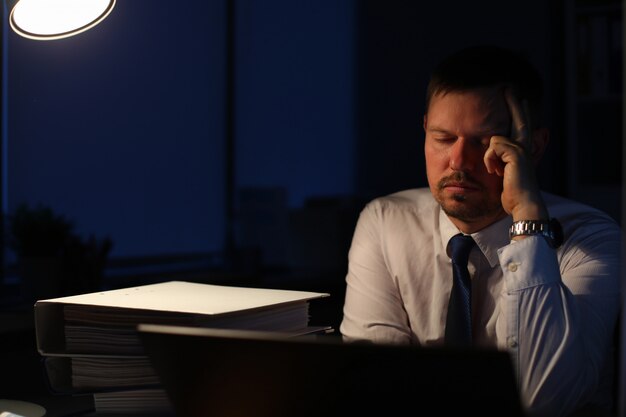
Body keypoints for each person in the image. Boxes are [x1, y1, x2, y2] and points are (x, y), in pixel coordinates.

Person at [339, 45, 621, 417]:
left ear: (531, 147)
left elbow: (542, 400)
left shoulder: (593, 238)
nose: (457, 161)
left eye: (483, 142)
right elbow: (372, 386)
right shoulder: (386, 221)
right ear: (424, 129)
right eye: (443, 138)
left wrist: (527, 220)